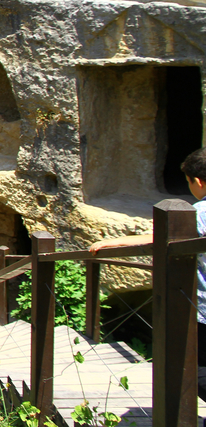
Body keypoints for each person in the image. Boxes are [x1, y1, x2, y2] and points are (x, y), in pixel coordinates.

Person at [89, 147, 206, 369]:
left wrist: (115, 242)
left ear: (197, 182)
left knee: (193, 369)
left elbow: (164, 239)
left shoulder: (200, 212)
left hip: (203, 310)